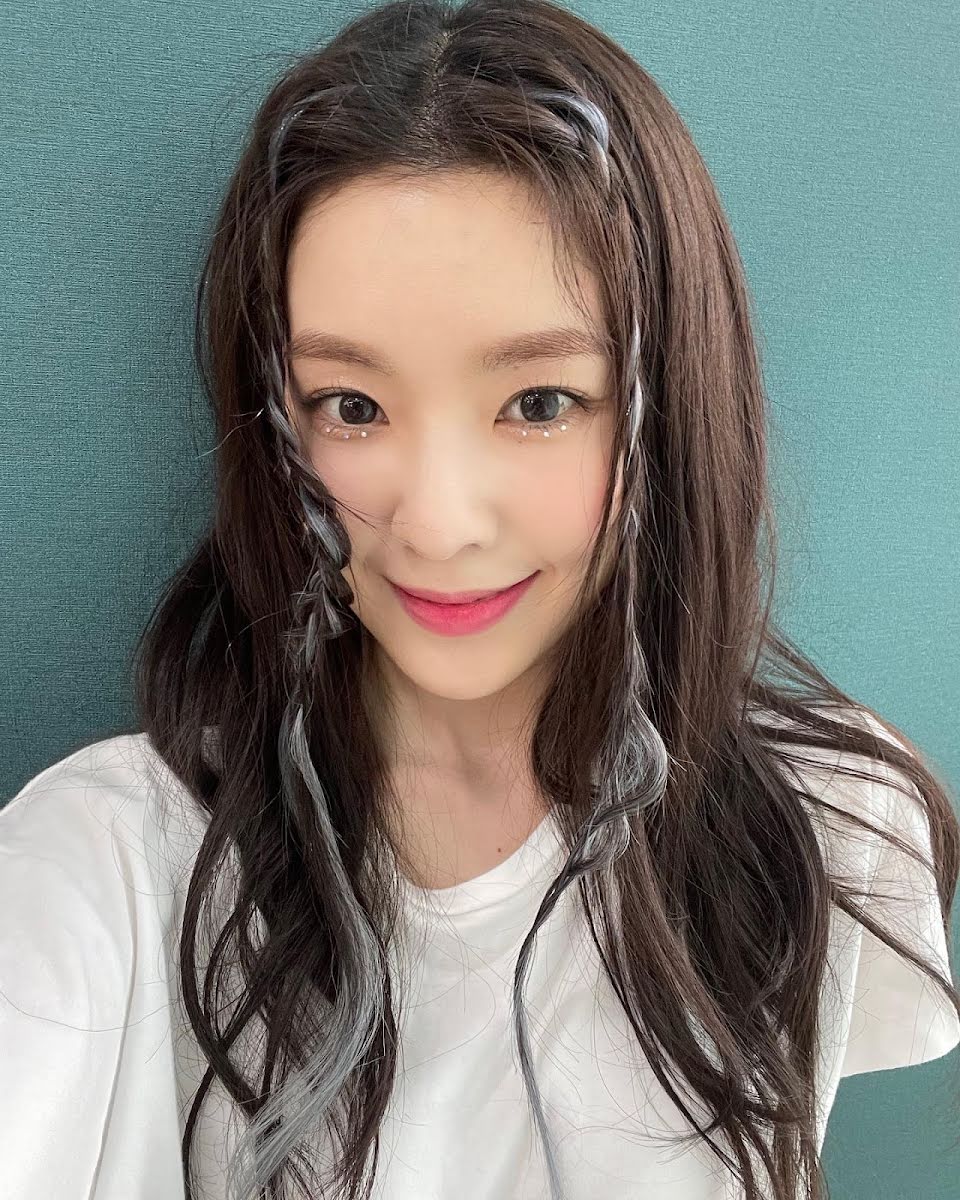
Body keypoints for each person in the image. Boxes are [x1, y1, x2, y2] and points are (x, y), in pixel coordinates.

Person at [2, 1, 958, 1197]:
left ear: (673, 408)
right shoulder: (111, 865)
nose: (439, 524)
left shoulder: (831, 828)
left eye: (541, 403)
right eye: (352, 407)